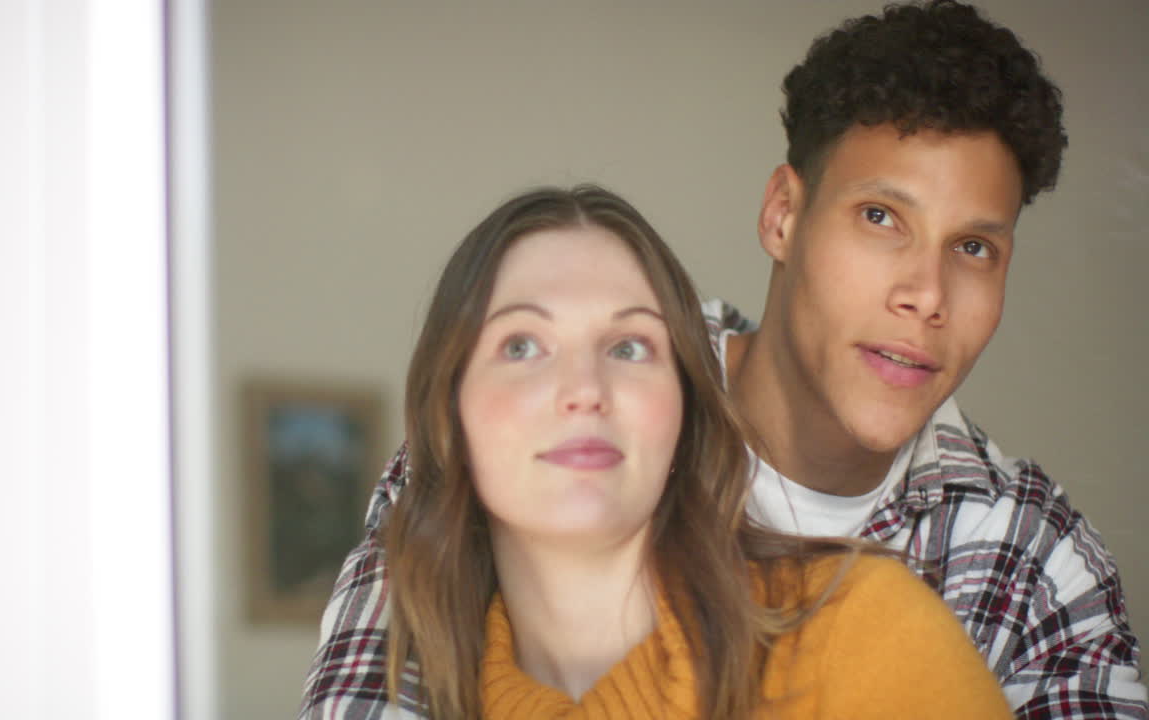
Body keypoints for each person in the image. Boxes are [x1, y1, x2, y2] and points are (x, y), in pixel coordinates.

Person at [300, 2, 1147, 718]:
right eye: (881, 218)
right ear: (783, 214)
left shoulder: (1032, 556)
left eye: (972, 248)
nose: (926, 294)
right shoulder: (551, 426)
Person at [316, 184, 1014, 719]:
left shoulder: (866, 630)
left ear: (685, 413)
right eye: (522, 345)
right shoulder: (415, 686)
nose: (584, 390)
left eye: (629, 347)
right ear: (450, 418)